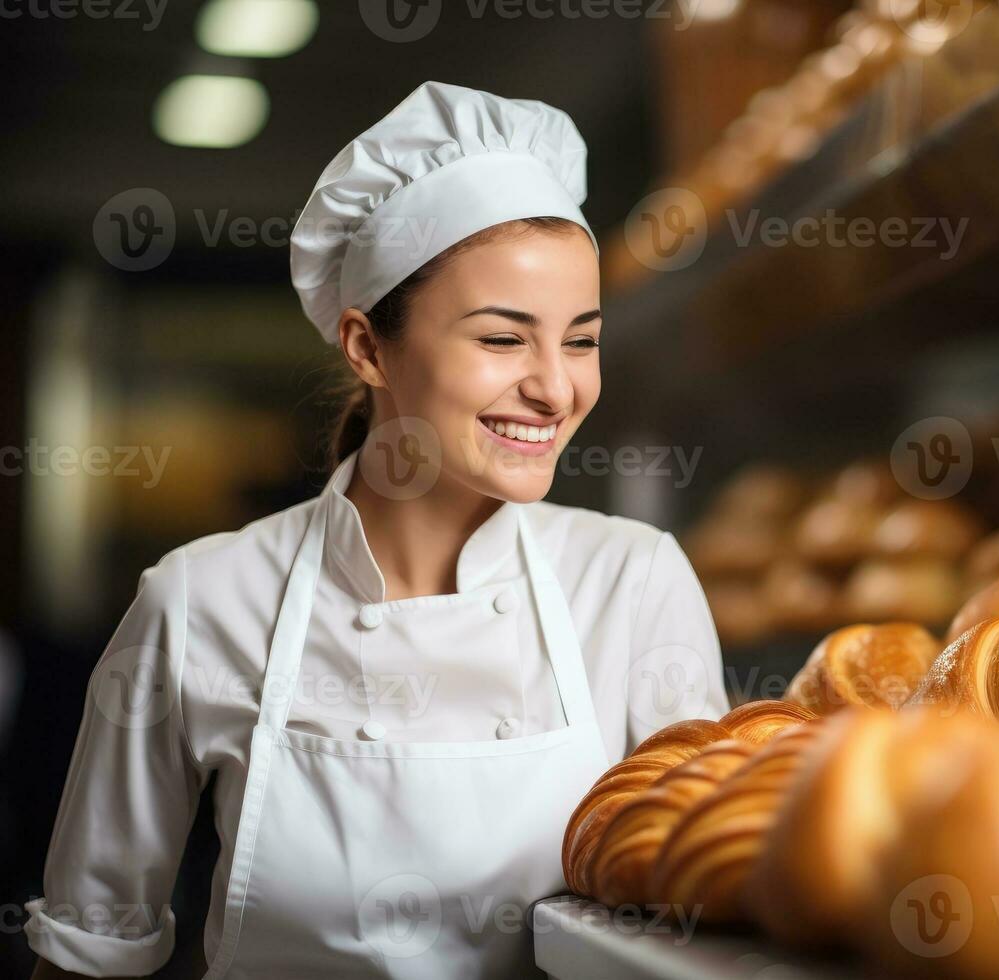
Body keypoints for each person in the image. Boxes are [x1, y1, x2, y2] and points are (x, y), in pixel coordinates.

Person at [26, 81, 729, 979]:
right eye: (503, 340)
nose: (557, 388)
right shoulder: (201, 602)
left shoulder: (633, 584)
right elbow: (91, 955)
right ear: (366, 346)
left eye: (582, 340)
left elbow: (701, 916)